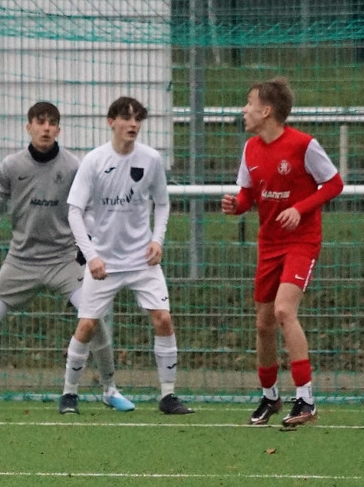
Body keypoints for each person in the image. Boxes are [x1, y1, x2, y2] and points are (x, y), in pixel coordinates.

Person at [0, 102, 133, 412]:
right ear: (29, 127)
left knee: (93, 318)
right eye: (40, 121)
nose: (46, 128)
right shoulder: (12, 166)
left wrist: (86, 246)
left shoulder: (73, 166)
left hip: (63, 259)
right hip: (20, 261)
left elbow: (87, 209)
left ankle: (110, 389)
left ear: (58, 129)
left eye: (51, 123)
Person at [57, 96, 193, 415]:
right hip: (104, 261)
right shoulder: (94, 161)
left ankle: (168, 395)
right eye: (126, 118)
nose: (133, 124)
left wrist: (157, 240)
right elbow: (74, 211)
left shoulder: (151, 159)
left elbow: (162, 203)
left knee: (163, 319)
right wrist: (91, 255)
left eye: (137, 119)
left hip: (142, 260)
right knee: (87, 325)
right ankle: (69, 394)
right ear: (111, 122)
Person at [220, 77, 344, 427]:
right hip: (269, 244)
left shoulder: (303, 145)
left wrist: (300, 209)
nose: (244, 109)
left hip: (301, 242)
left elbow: (334, 183)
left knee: (284, 311)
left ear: (266, 110)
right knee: (263, 324)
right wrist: (236, 205)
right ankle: (270, 396)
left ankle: (306, 399)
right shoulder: (250, 148)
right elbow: (248, 195)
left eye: (249, 102)